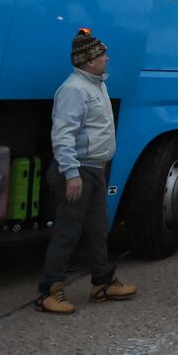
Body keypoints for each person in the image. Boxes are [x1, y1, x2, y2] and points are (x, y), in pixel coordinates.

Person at [35, 30, 137, 315]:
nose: (107, 58)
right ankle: (49, 291)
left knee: (96, 229)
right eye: (101, 54)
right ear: (88, 61)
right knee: (67, 232)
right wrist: (71, 173)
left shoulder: (97, 85)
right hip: (78, 169)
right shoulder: (73, 90)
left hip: (93, 168)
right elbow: (63, 134)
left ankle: (102, 282)